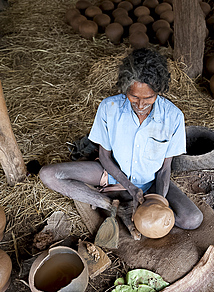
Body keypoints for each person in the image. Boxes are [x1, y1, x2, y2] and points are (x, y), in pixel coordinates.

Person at [40, 48, 203, 239]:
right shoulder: (109, 108)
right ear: (126, 87)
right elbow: (104, 157)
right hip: (110, 175)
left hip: (150, 184)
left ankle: (126, 202)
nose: (141, 105)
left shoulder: (173, 117)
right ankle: (111, 205)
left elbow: (165, 169)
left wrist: (156, 201)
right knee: (49, 175)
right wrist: (130, 187)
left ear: (158, 91)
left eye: (148, 98)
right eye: (134, 97)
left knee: (193, 219)